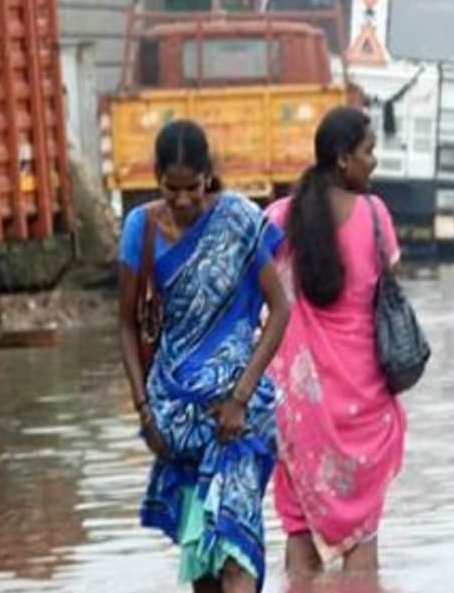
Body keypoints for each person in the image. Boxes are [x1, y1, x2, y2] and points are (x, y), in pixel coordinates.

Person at [117, 120, 290, 593]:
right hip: (178, 418)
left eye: (192, 187)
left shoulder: (237, 220)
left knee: (235, 548)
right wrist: (144, 411)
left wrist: (239, 396)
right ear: (156, 178)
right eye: (171, 190)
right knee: (205, 569)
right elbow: (127, 322)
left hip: (239, 416)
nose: (183, 201)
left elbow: (280, 310)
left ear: (207, 175)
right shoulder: (141, 229)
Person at [265, 106, 407, 580]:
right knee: (362, 540)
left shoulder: (280, 219)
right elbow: (388, 286)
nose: (375, 162)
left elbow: (249, 277)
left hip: (300, 411)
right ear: (344, 159)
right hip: (364, 405)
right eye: (369, 152)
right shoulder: (374, 216)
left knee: (299, 533)